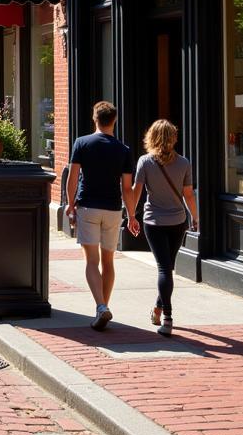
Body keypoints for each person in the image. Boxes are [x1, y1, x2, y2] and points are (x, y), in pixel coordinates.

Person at [65, 101, 137, 331]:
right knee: (108, 261)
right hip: (113, 209)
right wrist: (132, 214)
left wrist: (69, 203)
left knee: (91, 262)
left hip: (88, 207)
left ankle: (100, 306)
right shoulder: (123, 150)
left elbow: (73, 176)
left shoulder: (82, 143)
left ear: (94, 119)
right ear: (114, 120)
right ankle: (103, 307)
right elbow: (127, 187)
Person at [132, 119, 198, 337]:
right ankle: (159, 310)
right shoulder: (184, 163)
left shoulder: (145, 162)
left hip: (154, 222)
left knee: (164, 268)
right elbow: (189, 194)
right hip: (178, 221)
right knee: (167, 268)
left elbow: (137, 191)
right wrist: (195, 217)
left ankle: (167, 317)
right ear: (173, 138)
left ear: (151, 137)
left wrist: (130, 214)